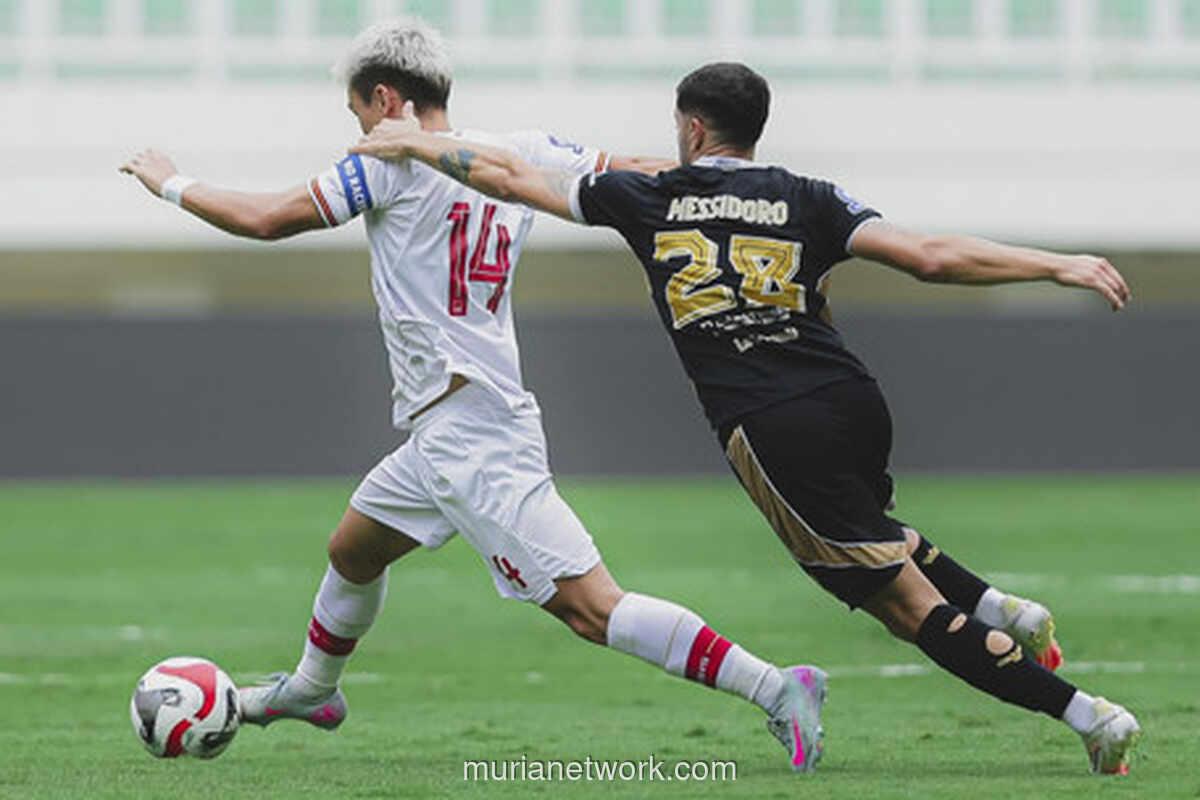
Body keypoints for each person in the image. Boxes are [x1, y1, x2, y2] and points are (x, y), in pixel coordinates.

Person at [350, 61, 1141, 775]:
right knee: (869, 529)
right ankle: (1005, 608)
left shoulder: (651, 196)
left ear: (692, 129)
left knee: (903, 606)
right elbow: (929, 255)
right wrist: (1055, 262)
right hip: (852, 397)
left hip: (769, 424)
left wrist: (417, 146)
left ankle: (1088, 716)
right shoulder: (809, 196)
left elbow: (507, 176)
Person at [120, 22, 834, 773]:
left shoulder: (386, 163)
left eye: (359, 110)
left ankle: (778, 687)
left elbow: (266, 219)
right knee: (353, 550)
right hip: (442, 431)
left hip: (476, 440)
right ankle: (311, 690)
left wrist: (170, 181)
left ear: (388, 99)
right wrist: (752, 189)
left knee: (592, 608)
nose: (359, 127)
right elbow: (636, 168)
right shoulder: (516, 151)